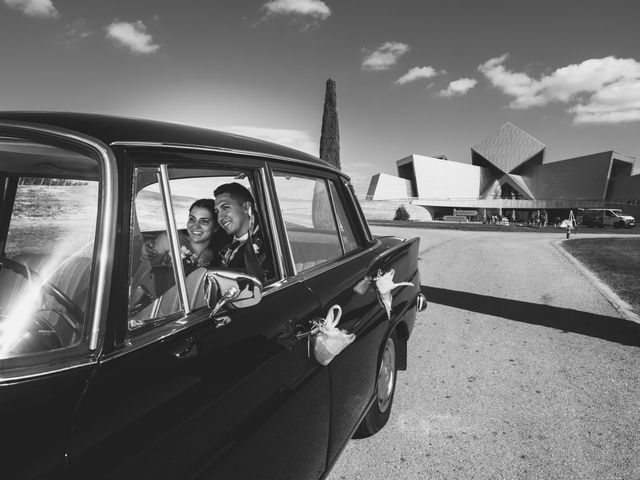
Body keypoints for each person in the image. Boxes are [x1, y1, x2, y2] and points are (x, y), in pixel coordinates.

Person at [141, 198, 230, 272]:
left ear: (216, 227)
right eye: (192, 219)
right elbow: (143, 275)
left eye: (204, 221)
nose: (195, 225)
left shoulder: (220, 254)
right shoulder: (170, 240)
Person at [213, 182, 267, 280]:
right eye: (217, 212)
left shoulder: (267, 245)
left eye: (225, 208)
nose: (220, 217)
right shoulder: (219, 239)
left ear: (246, 207)